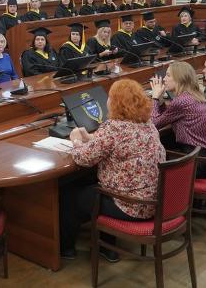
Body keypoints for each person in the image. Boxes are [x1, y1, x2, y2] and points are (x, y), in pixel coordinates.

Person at [60, 78, 164, 260]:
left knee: (69, 194)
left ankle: (66, 249)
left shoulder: (114, 128)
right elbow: (116, 145)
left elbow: (83, 158)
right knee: (98, 186)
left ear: (116, 103)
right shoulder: (148, 124)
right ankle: (107, 247)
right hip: (153, 202)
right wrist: (90, 138)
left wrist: (76, 140)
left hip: (130, 206)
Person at [150, 62, 206, 176]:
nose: (164, 79)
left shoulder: (181, 101)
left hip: (198, 163)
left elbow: (154, 124)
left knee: (152, 144)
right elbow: (167, 115)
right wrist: (160, 100)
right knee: (163, 140)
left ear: (179, 79)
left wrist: (155, 97)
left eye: (168, 75)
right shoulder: (192, 95)